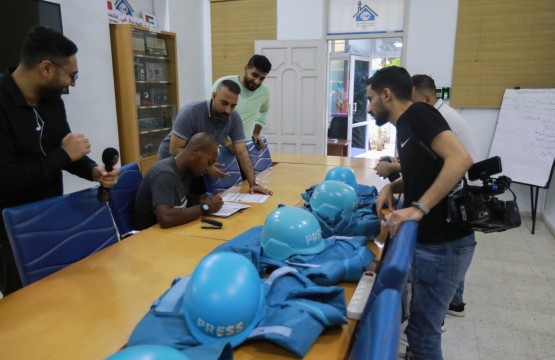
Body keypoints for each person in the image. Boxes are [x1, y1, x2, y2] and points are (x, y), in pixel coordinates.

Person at [0, 26, 120, 295]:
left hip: (51, 215)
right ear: (46, 68)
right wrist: (63, 155)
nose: (72, 83)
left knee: (60, 295)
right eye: (71, 75)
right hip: (11, 232)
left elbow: (67, 153)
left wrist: (93, 170)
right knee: (24, 308)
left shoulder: (52, 101)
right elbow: (6, 177)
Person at [367, 66, 476, 360]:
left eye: (370, 98)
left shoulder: (419, 115)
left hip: (444, 244)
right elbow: (425, 172)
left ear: (386, 95)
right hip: (432, 242)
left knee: (423, 334)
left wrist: (419, 208)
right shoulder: (405, 124)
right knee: (417, 329)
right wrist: (390, 188)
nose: (368, 107)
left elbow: (460, 159)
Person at [157, 79, 272, 195]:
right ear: (214, 96)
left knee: (197, 199)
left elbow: (242, 152)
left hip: (197, 166)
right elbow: (175, 149)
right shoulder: (190, 112)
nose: (228, 110)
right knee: (175, 201)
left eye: (233, 106)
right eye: (224, 103)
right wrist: (207, 167)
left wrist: (253, 183)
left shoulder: (234, 118)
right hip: (173, 163)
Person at [374, 74, 478, 180]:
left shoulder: (439, 118)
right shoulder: (437, 114)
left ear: (427, 100)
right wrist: (396, 161)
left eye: (412, 102)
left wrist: (392, 167)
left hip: (463, 183)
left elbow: (428, 166)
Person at [134, 132, 224, 230]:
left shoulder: (185, 170)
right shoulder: (165, 174)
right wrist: (206, 207)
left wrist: (198, 199)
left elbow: (178, 201)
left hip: (173, 232)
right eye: (209, 162)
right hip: (149, 238)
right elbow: (166, 219)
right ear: (196, 151)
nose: (208, 168)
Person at [211, 54, 271, 151]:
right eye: (254, 75)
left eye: (262, 78)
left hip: (243, 147)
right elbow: (210, 113)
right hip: (216, 146)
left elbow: (263, 112)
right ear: (246, 69)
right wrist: (224, 141)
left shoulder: (264, 92)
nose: (257, 81)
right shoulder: (223, 83)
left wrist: (256, 133)